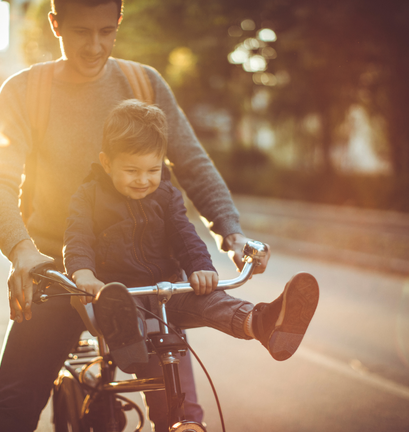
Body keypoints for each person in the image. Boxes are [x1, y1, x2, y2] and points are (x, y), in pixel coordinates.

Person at [0, 0, 271, 430]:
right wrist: (22, 250)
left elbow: (192, 164)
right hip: (57, 273)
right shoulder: (25, 91)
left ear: (118, 22)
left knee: (182, 416)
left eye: (105, 31)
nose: (95, 45)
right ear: (55, 24)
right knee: (11, 412)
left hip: (143, 278)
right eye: (81, 32)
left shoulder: (143, 82)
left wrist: (234, 236)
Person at [64, 99, 320, 374]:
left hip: (167, 289)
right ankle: (128, 339)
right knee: (122, 310)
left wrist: (201, 268)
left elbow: (185, 235)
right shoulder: (88, 196)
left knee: (212, 300)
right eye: (131, 171)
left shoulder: (166, 194)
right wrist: (83, 274)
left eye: (153, 170)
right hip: (121, 293)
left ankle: (262, 322)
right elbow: (77, 237)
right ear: (106, 163)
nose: (143, 180)